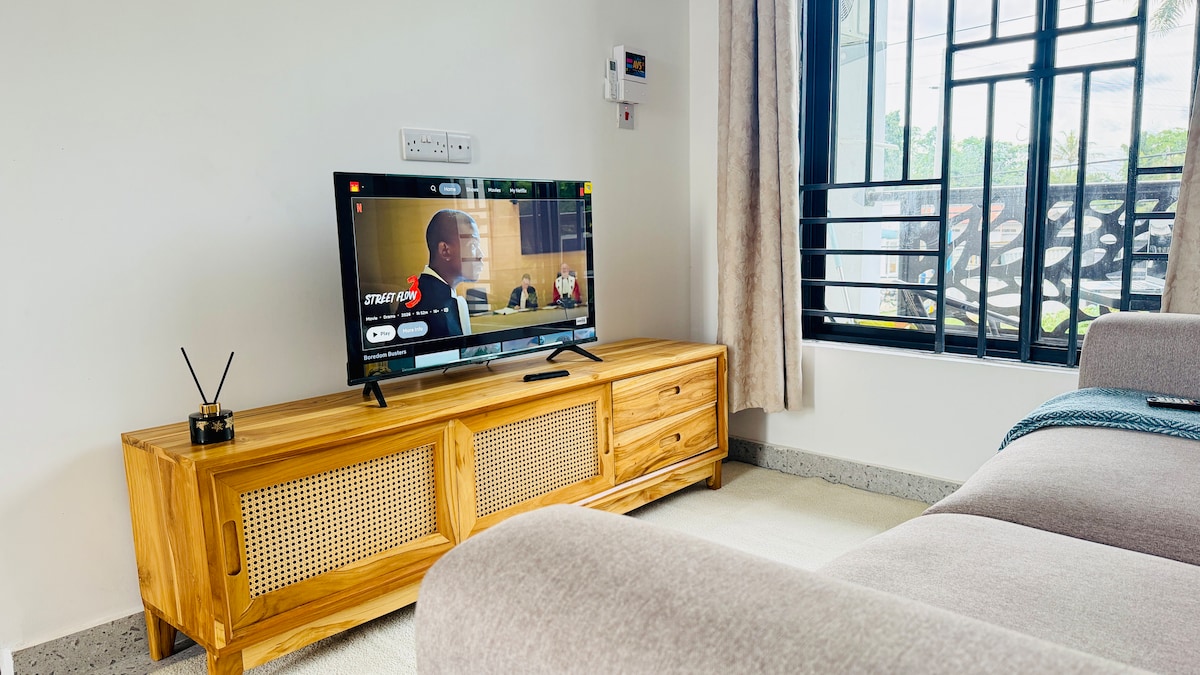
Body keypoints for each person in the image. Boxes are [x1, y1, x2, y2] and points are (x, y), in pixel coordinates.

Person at [403, 209, 484, 339]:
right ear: (445, 250)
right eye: (473, 245)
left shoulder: (420, 294)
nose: (481, 255)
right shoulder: (435, 308)